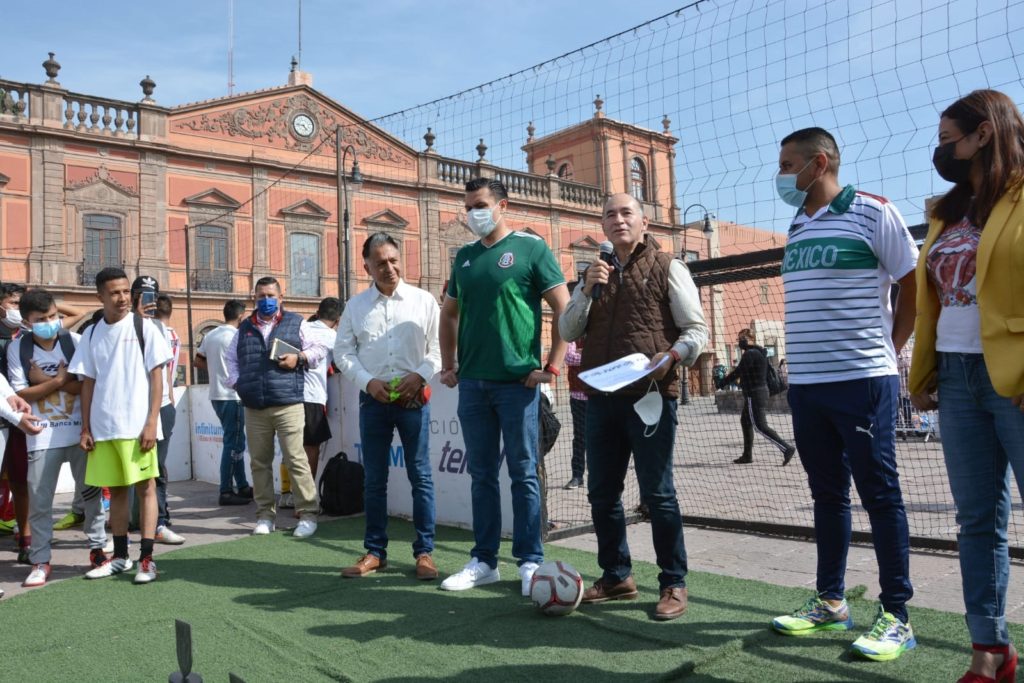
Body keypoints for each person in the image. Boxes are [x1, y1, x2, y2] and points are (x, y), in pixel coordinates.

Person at [769, 127, 919, 661]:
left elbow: (914, 284)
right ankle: (831, 602)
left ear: (821, 162)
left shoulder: (875, 212)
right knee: (827, 495)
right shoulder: (797, 223)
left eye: (789, 164)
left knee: (880, 496)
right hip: (807, 387)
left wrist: (888, 351)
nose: (782, 175)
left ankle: (896, 615)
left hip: (862, 381)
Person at [908, 89, 1024, 683]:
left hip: (1018, 378)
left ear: (984, 134)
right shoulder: (946, 210)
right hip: (956, 378)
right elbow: (930, 302)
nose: (941, 148)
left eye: (949, 137)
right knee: (977, 520)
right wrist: (922, 372)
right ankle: (990, 648)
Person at [559, 192, 708, 621]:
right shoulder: (593, 275)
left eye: (627, 213)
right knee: (601, 492)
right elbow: (569, 328)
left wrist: (674, 356)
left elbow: (696, 330)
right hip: (602, 399)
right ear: (602, 227)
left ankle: (673, 583)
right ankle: (617, 574)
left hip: (650, 398)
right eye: (610, 214)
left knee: (658, 494)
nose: (618, 220)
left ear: (645, 224)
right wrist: (586, 289)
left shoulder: (668, 267)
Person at [438, 177, 568, 596]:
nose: (472, 213)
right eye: (468, 206)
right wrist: (448, 364)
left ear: (502, 205)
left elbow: (566, 310)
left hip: (518, 383)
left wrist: (551, 366)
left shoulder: (532, 249)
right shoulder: (465, 258)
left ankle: (530, 561)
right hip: (473, 385)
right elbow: (449, 315)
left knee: (524, 474)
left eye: (479, 204)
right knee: (481, 476)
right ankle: (484, 561)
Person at [336, 232, 441, 581]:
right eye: (380, 262)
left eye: (394, 260)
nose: (389, 268)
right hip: (374, 401)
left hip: (414, 400)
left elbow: (439, 350)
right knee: (375, 480)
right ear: (366, 264)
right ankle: (375, 552)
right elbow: (343, 353)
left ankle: (424, 552)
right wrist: (368, 382)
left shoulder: (424, 301)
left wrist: (420, 376)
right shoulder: (355, 306)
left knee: (420, 476)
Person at [70, 267, 172, 584]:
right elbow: (87, 383)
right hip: (103, 428)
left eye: (126, 291)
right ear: (100, 296)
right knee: (115, 493)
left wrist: (151, 422)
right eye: (114, 292)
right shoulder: (91, 333)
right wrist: (86, 427)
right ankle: (120, 557)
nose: (123, 297)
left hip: (137, 426)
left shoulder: (146, 327)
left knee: (146, 489)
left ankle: (147, 559)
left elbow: (157, 378)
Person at [8, 289, 106, 587]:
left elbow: (87, 387)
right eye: (41, 319)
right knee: (40, 503)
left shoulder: (74, 342)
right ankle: (40, 560)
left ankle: (98, 551)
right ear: (27, 321)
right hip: (40, 436)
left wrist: (48, 382)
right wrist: (63, 380)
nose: (50, 322)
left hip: (79, 432)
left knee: (91, 497)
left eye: (53, 316)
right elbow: (20, 394)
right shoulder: (18, 349)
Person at [224, 277, 327, 538]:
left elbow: (319, 349)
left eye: (271, 295)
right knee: (259, 462)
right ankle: (265, 516)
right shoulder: (244, 327)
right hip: (254, 406)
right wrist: (238, 383)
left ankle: (307, 514)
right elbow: (230, 359)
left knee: (296, 459)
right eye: (261, 296)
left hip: (288, 403)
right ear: (253, 298)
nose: (266, 300)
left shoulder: (297, 322)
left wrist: (299, 357)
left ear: (281, 298)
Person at [134, 284, 185, 545]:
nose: (149, 303)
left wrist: (169, 398)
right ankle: (134, 521)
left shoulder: (161, 330)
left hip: (162, 407)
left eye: (152, 297)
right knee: (129, 473)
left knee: (157, 469)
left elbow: (164, 368)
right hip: (131, 409)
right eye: (144, 297)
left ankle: (159, 522)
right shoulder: (117, 326)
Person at [278, 296, 340, 510]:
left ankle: (289, 495)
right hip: (312, 397)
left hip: (289, 394)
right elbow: (344, 363)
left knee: (291, 447)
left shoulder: (301, 327)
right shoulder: (332, 336)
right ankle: (306, 500)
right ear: (338, 319)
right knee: (309, 449)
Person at [195, 300, 253, 506]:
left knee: (236, 442)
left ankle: (243, 485)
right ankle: (226, 490)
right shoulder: (237, 337)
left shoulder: (212, 334)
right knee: (233, 444)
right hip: (232, 396)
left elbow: (197, 360)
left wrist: (215, 371)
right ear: (241, 316)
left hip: (217, 395)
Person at [717, 328, 795, 465]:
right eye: (739, 339)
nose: (740, 341)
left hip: (755, 393)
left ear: (751, 339)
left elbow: (738, 372)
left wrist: (722, 383)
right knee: (745, 421)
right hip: (760, 392)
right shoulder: (759, 352)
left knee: (760, 426)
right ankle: (747, 456)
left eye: (743, 338)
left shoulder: (750, 354)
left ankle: (786, 448)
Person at [562, 338, 587, 490]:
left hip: (598, 395)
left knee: (601, 437)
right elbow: (569, 358)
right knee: (580, 437)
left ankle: (600, 476)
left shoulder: (598, 334)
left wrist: (583, 353)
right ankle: (577, 476)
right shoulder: (572, 336)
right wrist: (589, 355)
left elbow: (601, 358)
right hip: (578, 396)